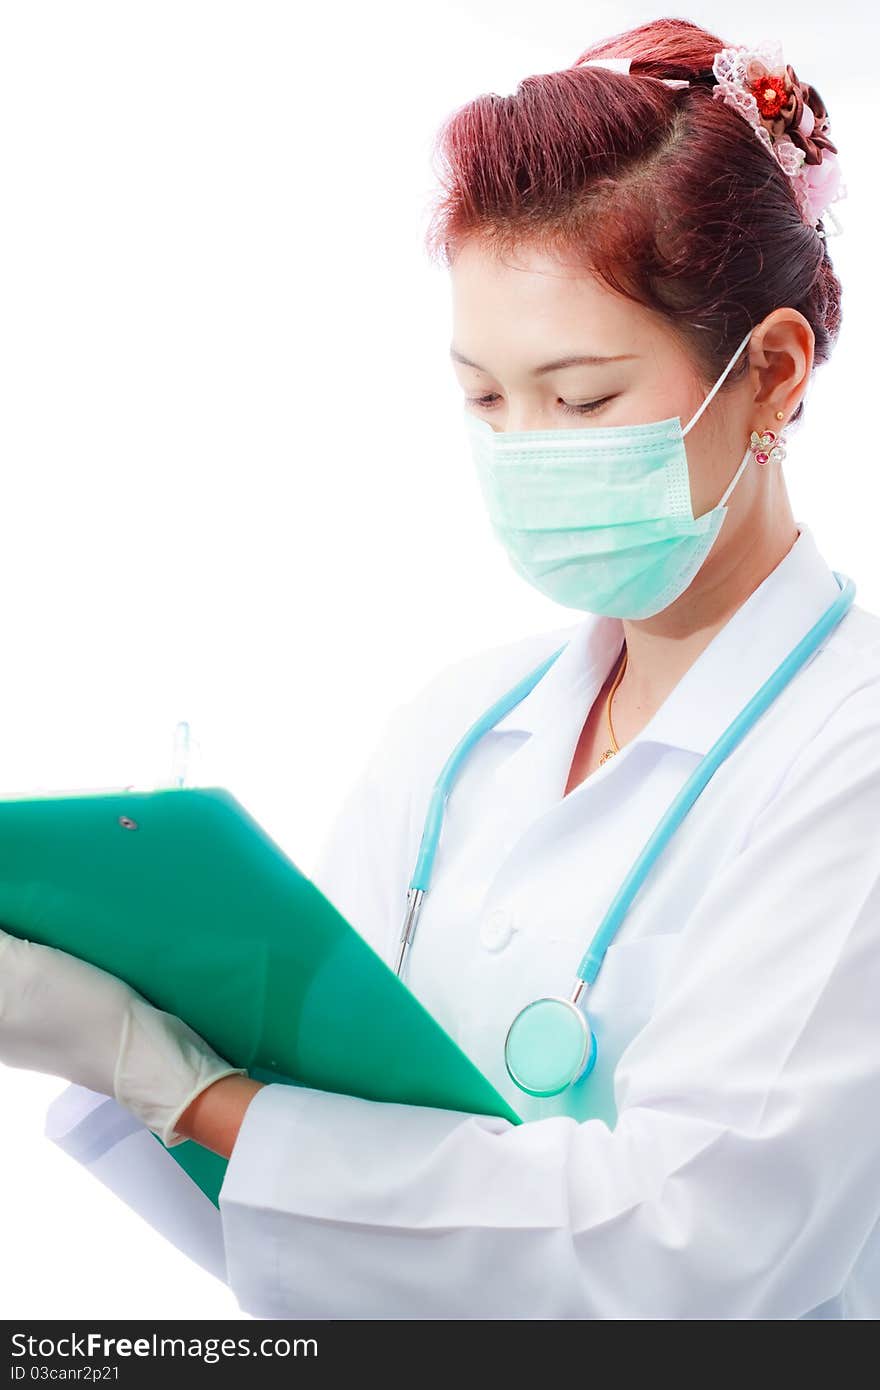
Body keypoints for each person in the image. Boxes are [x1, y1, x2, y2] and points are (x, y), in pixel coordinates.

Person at [3, 18, 880, 1320]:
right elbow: (333, 1255)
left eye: (579, 399)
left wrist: (190, 1093)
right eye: (485, 398)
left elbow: (692, 1256)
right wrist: (172, 1053)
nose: (526, 448)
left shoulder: (848, 752)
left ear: (769, 374)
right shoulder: (461, 727)